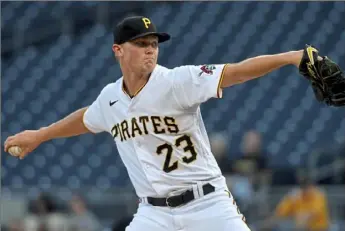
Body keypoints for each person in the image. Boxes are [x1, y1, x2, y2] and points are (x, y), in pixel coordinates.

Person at [5, 15, 304, 231]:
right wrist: (41, 135)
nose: (150, 48)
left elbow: (236, 72)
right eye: (141, 43)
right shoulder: (110, 98)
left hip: (207, 203)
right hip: (153, 213)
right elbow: (86, 118)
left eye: (154, 43)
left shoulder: (176, 81)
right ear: (118, 50)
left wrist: (292, 57)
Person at [258, 172, 330, 231]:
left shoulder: (318, 195)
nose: (306, 190)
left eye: (307, 186)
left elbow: (313, 214)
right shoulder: (295, 196)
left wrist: (301, 220)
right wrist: (269, 222)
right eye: (303, 186)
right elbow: (280, 212)